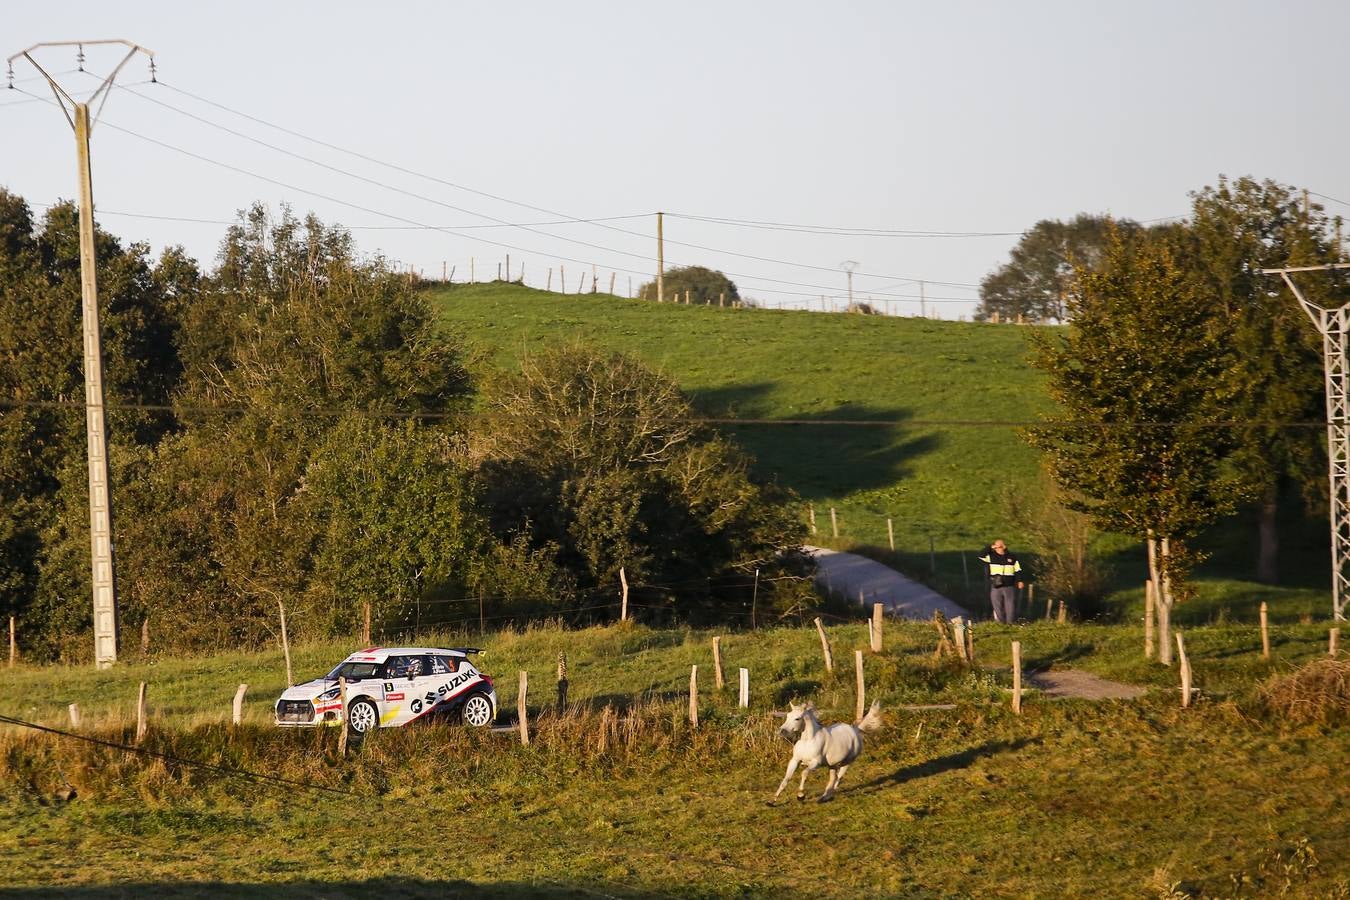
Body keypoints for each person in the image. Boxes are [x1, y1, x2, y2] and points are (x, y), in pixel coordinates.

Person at [978, 539, 1024, 624]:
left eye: (1000, 546)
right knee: (997, 605)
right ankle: (1001, 623)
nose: (998, 548)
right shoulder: (990, 556)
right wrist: (990, 547)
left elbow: (1018, 569)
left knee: (1010, 605)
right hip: (996, 585)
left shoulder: (1012, 557)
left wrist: (1020, 581)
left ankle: (1010, 623)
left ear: (1004, 546)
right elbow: (981, 555)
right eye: (996, 547)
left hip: (1009, 585)